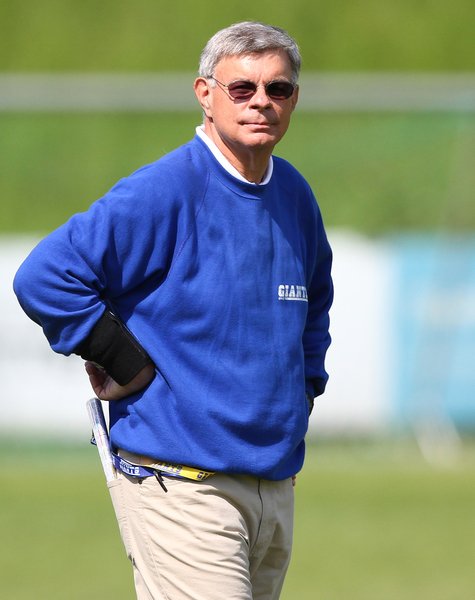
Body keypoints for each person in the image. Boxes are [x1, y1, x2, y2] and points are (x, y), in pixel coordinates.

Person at [13, 21, 333, 600]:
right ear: (205, 94)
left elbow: (314, 303)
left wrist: (304, 391)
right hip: (181, 486)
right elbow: (46, 276)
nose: (261, 101)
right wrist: (125, 362)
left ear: (294, 99)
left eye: (278, 88)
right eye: (242, 88)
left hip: (274, 486)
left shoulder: (294, 193)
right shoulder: (164, 189)